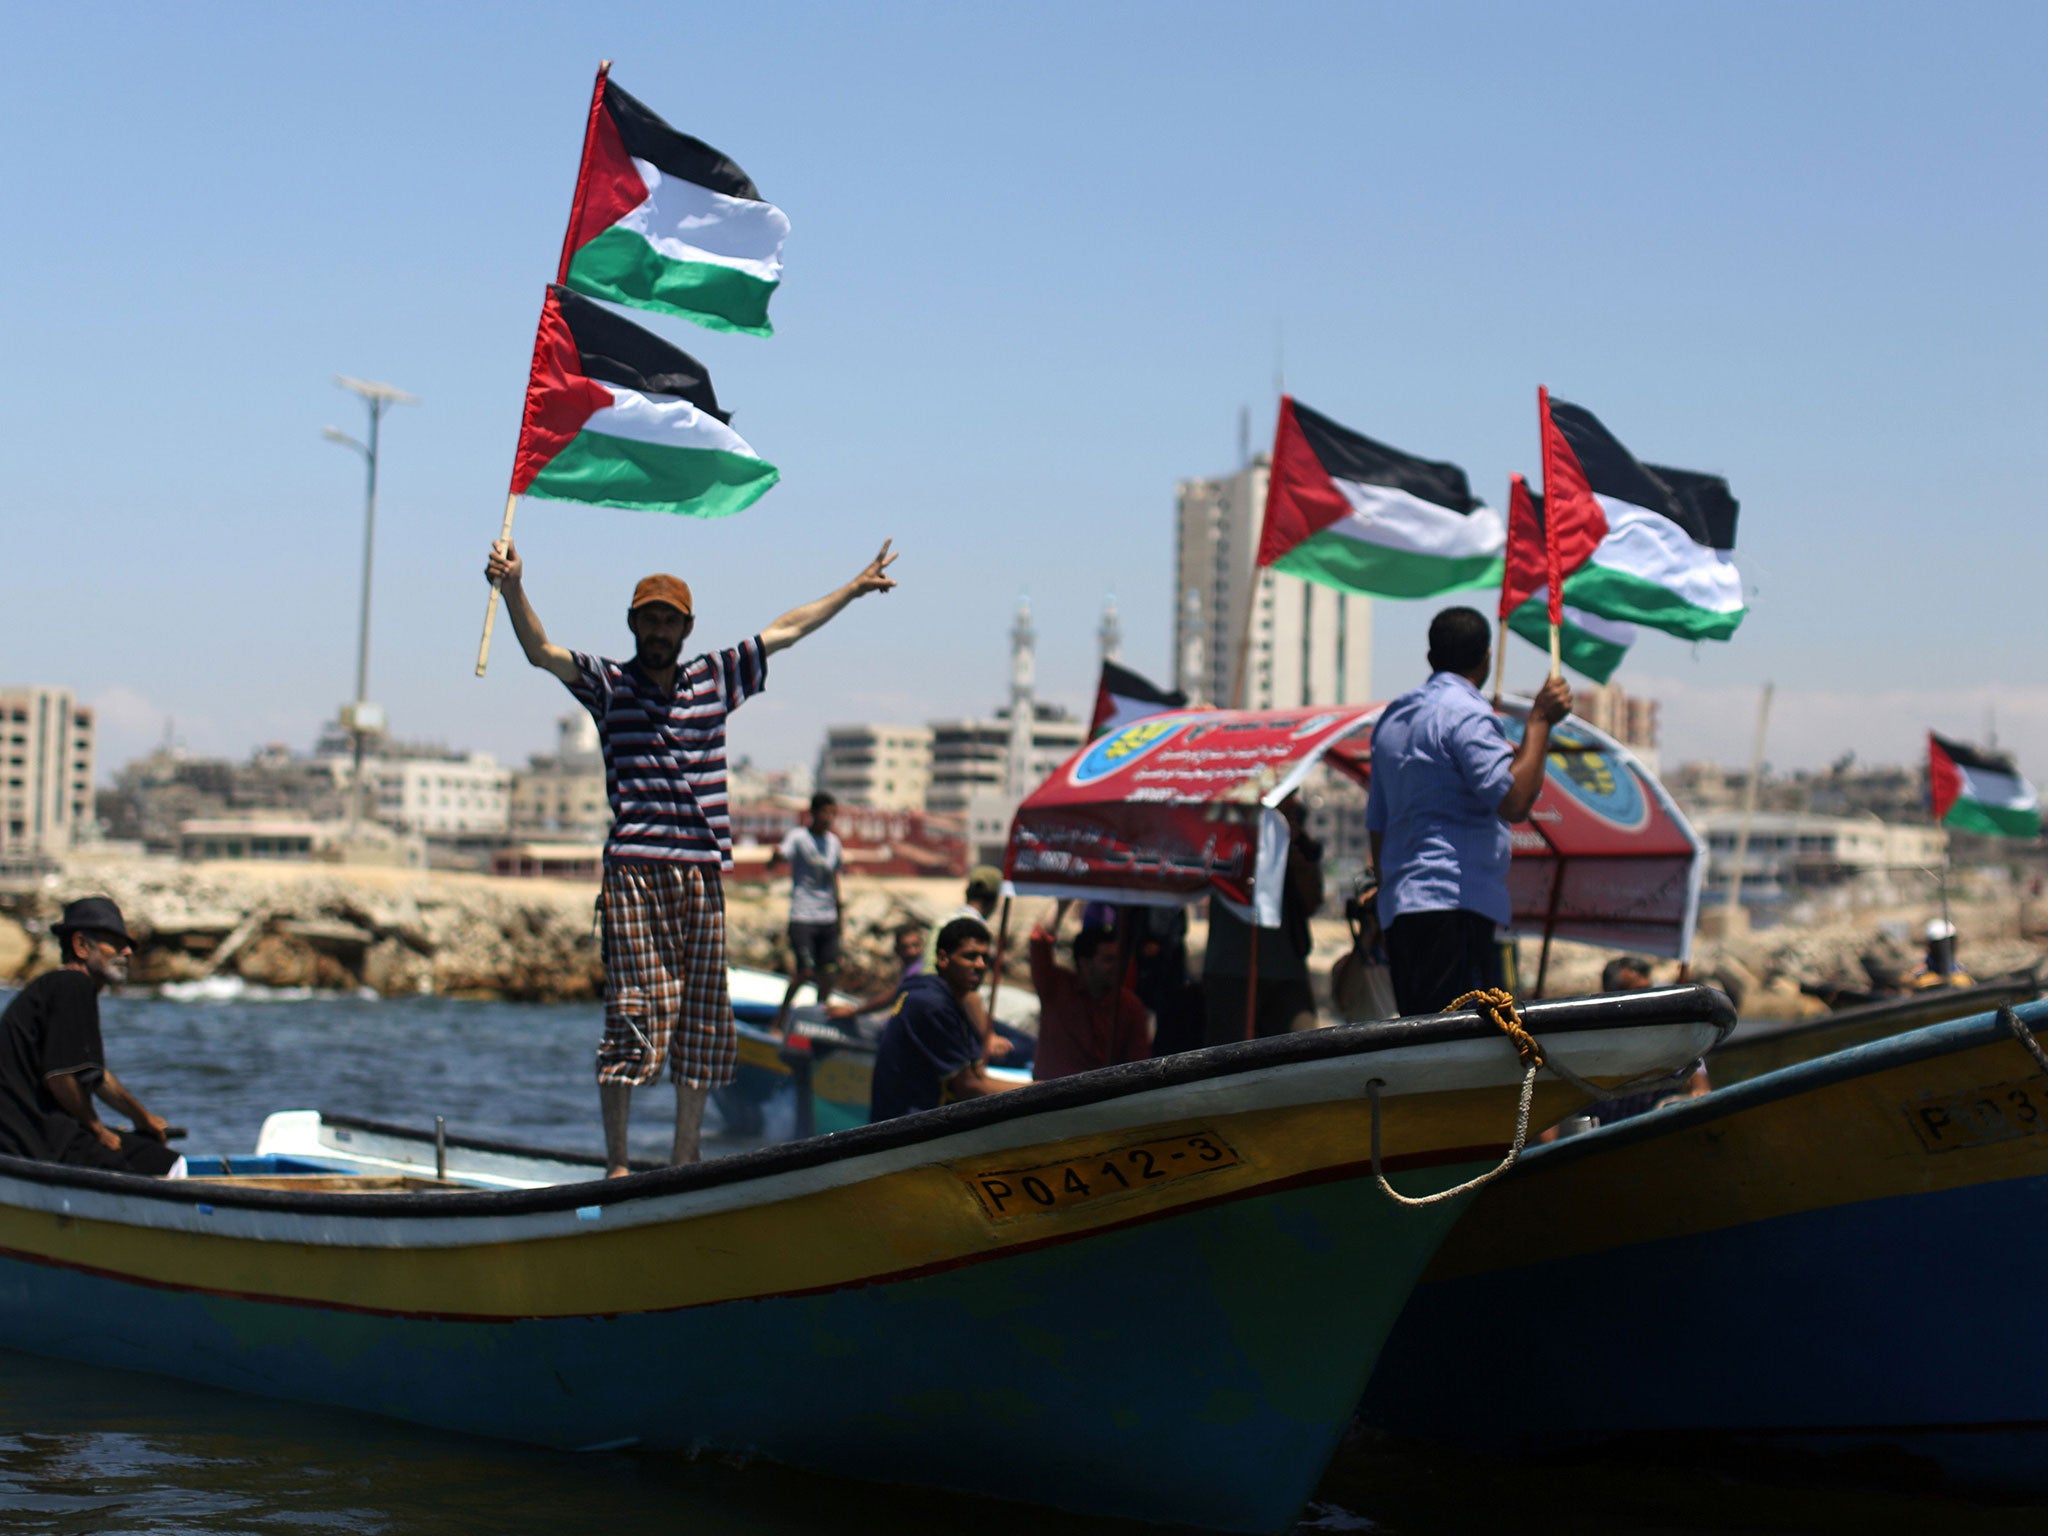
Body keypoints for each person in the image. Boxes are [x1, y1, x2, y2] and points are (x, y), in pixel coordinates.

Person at [485, 535, 899, 1176]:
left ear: (686, 628)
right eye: (648, 617)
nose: (658, 629)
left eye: (669, 619)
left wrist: (850, 589)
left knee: (705, 1017)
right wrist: (513, 587)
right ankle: (619, 1162)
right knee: (633, 1011)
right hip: (634, 872)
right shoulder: (609, 685)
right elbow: (541, 652)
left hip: (702, 874)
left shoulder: (715, 677)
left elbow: (784, 630)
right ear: (633, 624)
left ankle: (685, 1157)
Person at [1367, 607, 1572, 1016]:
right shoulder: (1465, 713)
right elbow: (1513, 801)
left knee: (1421, 1038)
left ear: (1430, 658)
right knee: (1463, 1045)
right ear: (1487, 658)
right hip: (1454, 907)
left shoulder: (1393, 719)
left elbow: (1378, 826)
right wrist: (1540, 723)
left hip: (1403, 910)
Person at [0, 897, 180, 1176]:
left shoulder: (57, 987)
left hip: (31, 1133)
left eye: (128, 944)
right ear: (81, 946)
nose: (128, 951)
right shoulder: (73, 985)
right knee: (167, 1166)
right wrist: (97, 1128)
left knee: (151, 1154)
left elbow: (96, 1076)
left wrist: (143, 1119)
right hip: (36, 1139)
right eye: (115, 943)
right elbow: (60, 1077)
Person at [1201, 793, 1324, 1045]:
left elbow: (1311, 901)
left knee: (1303, 1048)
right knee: (1231, 1055)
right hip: (1233, 968)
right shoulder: (1230, 831)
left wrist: (1293, 850)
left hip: (1286, 969)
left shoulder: (1297, 843)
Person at [869, 917, 1021, 1120]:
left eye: (985, 958)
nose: (980, 965)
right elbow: (970, 1087)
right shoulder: (932, 1004)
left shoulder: (935, 993)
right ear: (943, 958)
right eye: (970, 956)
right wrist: (1042, 1090)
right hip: (907, 1130)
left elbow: (975, 1076)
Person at [1028, 901, 1151, 1080]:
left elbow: (1139, 1066)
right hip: (1047, 1094)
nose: (1116, 967)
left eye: (1118, 959)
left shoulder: (1130, 1006)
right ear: (1084, 963)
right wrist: (1063, 902)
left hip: (1096, 1101)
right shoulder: (1056, 986)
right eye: (1108, 959)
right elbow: (1039, 939)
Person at [769, 792, 845, 1033]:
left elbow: (835, 877)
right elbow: (779, 857)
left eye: (832, 814)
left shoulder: (834, 842)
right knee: (805, 972)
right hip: (803, 915)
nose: (828, 818)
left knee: (829, 973)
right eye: (825, 813)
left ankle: (818, 1021)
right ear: (813, 813)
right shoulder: (799, 837)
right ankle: (780, 1020)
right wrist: (775, 857)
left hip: (827, 917)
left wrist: (840, 913)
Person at [826, 920, 928, 1022]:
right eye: (905, 947)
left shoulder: (919, 969)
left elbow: (892, 995)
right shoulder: (908, 969)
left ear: (922, 945)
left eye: (916, 945)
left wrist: (854, 1011)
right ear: (897, 949)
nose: (911, 952)